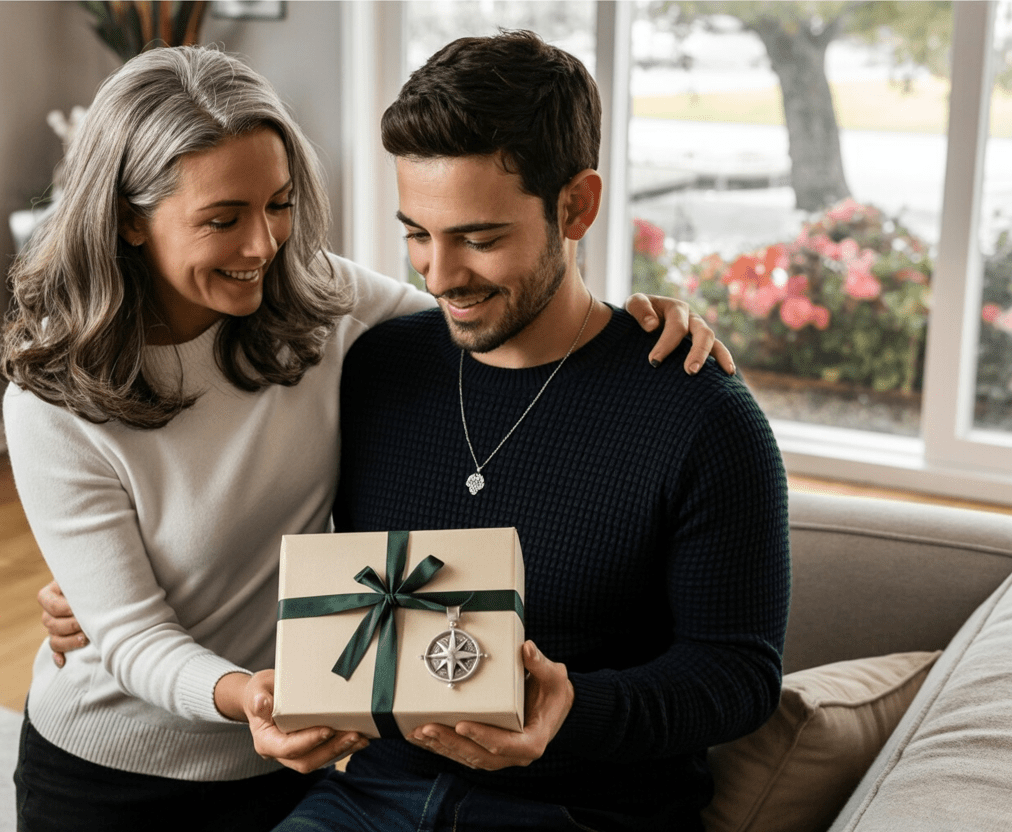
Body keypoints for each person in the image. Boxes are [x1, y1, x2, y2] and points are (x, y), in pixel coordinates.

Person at [3, 43, 730, 832]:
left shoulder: (317, 304)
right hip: (114, 764)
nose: (263, 246)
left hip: (290, 762)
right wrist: (216, 674)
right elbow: (134, 636)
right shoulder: (52, 400)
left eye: (278, 205)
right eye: (222, 220)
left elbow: (498, 319)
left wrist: (632, 326)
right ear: (127, 221)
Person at [265, 31, 792, 832]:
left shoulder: (700, 414)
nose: (439, 277)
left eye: (479, 239)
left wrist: (573, 707)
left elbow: (739, 674)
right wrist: (107, 591)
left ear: (575, 205)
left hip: (583, 809)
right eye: (417, 233)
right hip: (372, 795)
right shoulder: (378, 369)